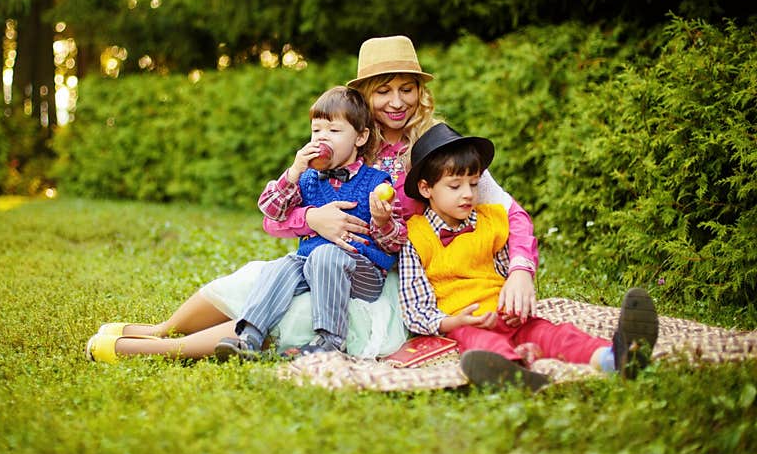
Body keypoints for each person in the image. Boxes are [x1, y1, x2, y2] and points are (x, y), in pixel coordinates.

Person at [85, 35, 537, 364]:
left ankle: (160, 349)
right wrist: (314, 217)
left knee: (297, 312)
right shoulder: (340, 141)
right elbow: (275, 219)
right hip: (323, 254)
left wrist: (520, 271)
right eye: (383, 90)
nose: (397, 102)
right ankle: (161, 329)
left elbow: (508, 213)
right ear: (362, 97)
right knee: (257, 280)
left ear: (421, 92)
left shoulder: (439, 147)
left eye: (407, 88)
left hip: (394, 278)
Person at [398, 121, 660, 390]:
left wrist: (515, 307)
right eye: (455, 186)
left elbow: (505, 273)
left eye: (474, 184)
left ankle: (616, 358)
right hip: (467, 322)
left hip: (508, 315)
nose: (468, 194)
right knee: (484, 345)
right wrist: (455, 321)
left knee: (556, 334)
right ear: (426, 189)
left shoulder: (492, 221)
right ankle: (514, 375)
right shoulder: (414, 237)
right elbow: (417, 309)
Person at [213, 85, 407, 361]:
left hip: (362, 272)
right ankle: (249, 337)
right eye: (316, 131)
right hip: (311, 264)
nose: (322, 138)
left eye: (334, 131)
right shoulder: (306, 178)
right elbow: (271, 210)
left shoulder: (377, 182)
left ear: (361, 137)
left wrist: (382, 220)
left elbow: (395, 242)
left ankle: (330, 340)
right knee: (281, 265)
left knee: (326, 255)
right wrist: (293, 172)